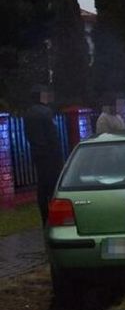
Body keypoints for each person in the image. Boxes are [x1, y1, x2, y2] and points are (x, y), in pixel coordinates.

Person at [24, 86, 63, 225]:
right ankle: (54, 218)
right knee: (53, 187)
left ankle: (44, 217)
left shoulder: (28, 113)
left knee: (41, 186)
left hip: (37, 154)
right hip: (50, 155)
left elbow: (28, 135)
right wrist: (58, 155)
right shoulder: (46, 112)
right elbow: (53, 136)